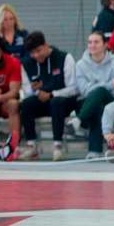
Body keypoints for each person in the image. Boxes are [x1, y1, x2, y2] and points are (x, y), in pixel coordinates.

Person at [18, 31, 78, 161]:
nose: (36, 55)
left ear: (46, 45)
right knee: (27, 104)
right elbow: (27, 90)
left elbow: (73, 88)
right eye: (32, 53)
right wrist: (38, 92)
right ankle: (31, 146)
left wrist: (51, 94)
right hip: (43, 101)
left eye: (39, 51)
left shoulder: (65, 58)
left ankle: (58, 146)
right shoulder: (26, 64)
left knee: (56, 102)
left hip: (64, 102)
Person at [72, 31, 114, 159]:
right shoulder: (80, 65)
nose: (92, 45)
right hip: (88, 103)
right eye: (90, 42)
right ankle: (95, 151)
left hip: (110, 101)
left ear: (105, 45)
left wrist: (102, 87)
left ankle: (79, 120)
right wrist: (109, 84)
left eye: (96, 42)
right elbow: (84, 90)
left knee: (100, 92)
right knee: (97, 105)